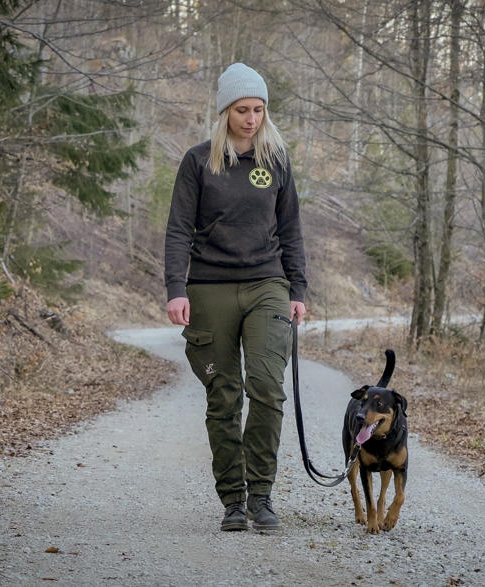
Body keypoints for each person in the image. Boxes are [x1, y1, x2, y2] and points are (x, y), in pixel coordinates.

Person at [164, 62, 307, 532]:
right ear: (225, 111)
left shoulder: (277, 161)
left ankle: (262, 495)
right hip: (208, 289)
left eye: (259, 110)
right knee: (223, 397)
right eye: (243, 110)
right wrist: (175, 289)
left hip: (268, 285)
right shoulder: (198, 161)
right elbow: (179, 228)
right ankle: (233, 501)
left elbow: (291, 231)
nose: (252, 119)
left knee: (266, 387)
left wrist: (298, 289)